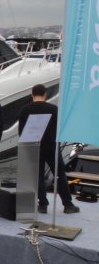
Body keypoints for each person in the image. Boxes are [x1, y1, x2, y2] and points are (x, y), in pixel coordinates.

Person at [17, 84, 80, 214]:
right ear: (45, 94)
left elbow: (21, 131)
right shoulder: (53, 109)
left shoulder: (25, 110)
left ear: (32, 94)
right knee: (60, 174)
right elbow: (59, 128)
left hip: (33, 146)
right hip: (51, 146)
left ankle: (42, 205)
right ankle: (68, 205)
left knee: (38, 175)